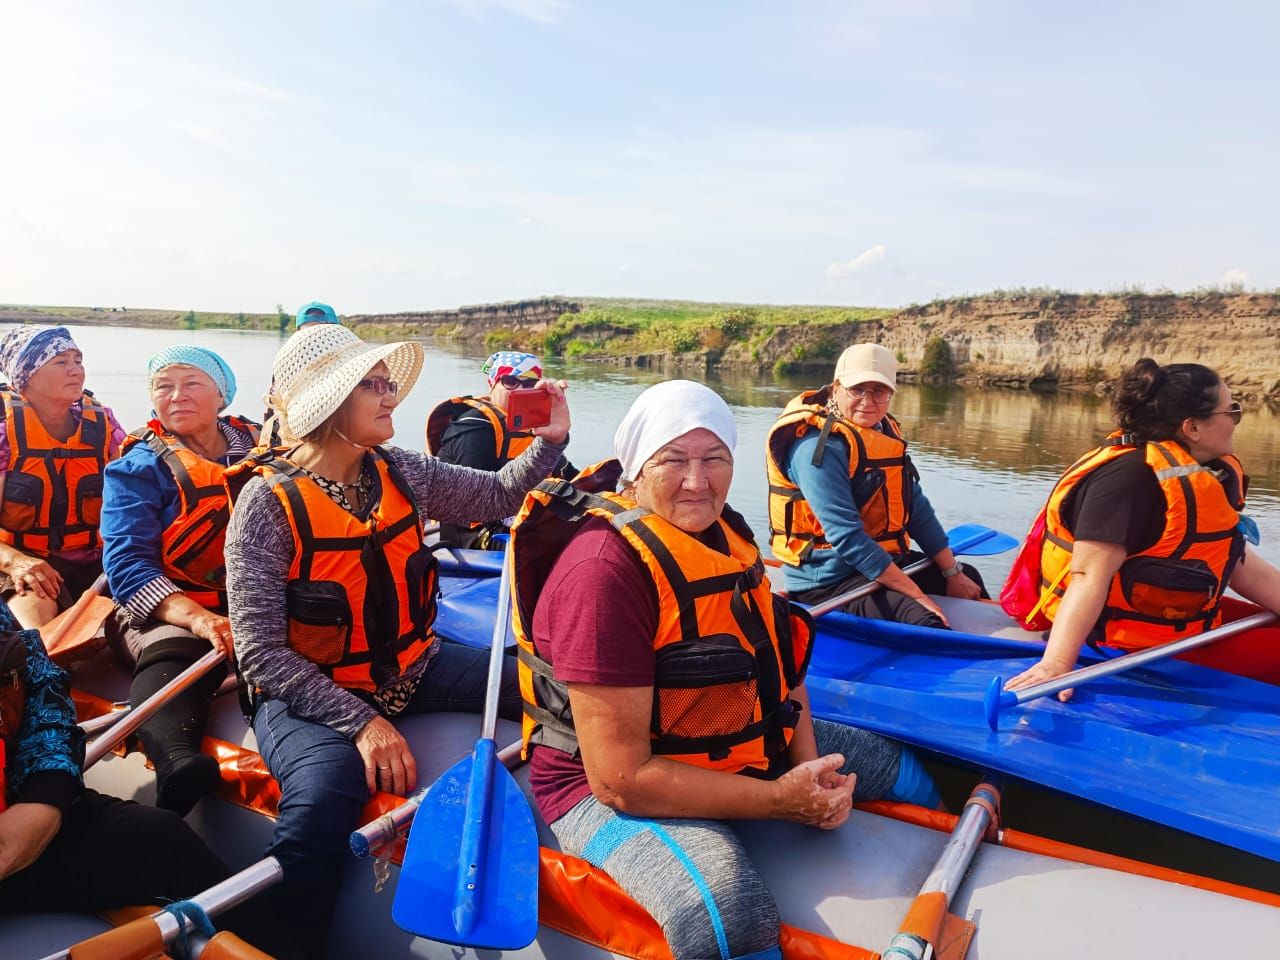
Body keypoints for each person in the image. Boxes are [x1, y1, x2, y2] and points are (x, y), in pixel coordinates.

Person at [511, 380, 939, 960]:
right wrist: (782, 801)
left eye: (715, 459)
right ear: (635, 470)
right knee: (730, 909)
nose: (698, 480)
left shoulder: (725, 531)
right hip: (598, 786)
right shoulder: (603, 572)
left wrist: (808, 764)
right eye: (674, 461)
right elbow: (620, 779)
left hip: (734, 734)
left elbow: (781, 662)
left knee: (902, 767)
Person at [223, 324, 571, 959]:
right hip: (307, 696)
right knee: (325, 796)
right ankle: (284, 942)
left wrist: (548, 444)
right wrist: (362, 724)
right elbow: (260, 652)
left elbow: (493, 496)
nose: (391, 399)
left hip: (417, 667)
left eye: (387, 385)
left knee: (556, 688)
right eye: (373, 387)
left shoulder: (400, 470)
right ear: (330, 404)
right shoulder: (264, 504)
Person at [0, 597, 270, 951]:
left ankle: (283, 945)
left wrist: (46, 796)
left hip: (20, 812)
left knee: (162, 837)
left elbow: (41, 691)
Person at [1006, 359, 1280, 696]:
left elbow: (1240, 566)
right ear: (1192, 427)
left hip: (1178, 630)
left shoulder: (1201, 475)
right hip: (1117, 645)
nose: (1236, 422)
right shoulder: (1128, 480)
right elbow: (1088, 575)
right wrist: (1057, 665)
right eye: (1231, 412)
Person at [100, 346, 259, 815]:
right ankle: (175, 761)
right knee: (178, 645)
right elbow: (127, 566)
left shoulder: (263, 449)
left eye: (192, 384)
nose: (176, 396)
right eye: (163, 386)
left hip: (253, 594)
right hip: (168, 605)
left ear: (221, 395)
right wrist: (202, 620)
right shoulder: (138, 467)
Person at [765, 343, 985, 629]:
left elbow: (916, 509)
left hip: (880, 566)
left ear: (891, 394)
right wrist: (917, 595)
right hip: (828, 582)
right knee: (923, 619)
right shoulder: (814, 447)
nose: (868, 401)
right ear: (836, 388)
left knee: (969, 576)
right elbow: (847, 537)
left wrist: (951, 571)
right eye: (857, 389)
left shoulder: (882, 432)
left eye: (879, 391)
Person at [0, 326, 125, 631]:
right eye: (61, 362)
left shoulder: (102, 423)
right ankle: (40, 666)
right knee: (34, 617)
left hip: (96, 561)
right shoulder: (5, 431)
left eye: (78, 360)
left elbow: (131, 499)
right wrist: (14, 561)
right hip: (21, 559)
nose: (76, 370)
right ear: (27, 375)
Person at [425, 350, 575, 549]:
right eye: (511, 381)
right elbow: (475, 500)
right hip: (473, 533)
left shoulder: (535, 426)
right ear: (492, 384)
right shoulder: (475, 425)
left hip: (519, 520)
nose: (520, 389)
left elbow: (569, 476)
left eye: (529, 384)